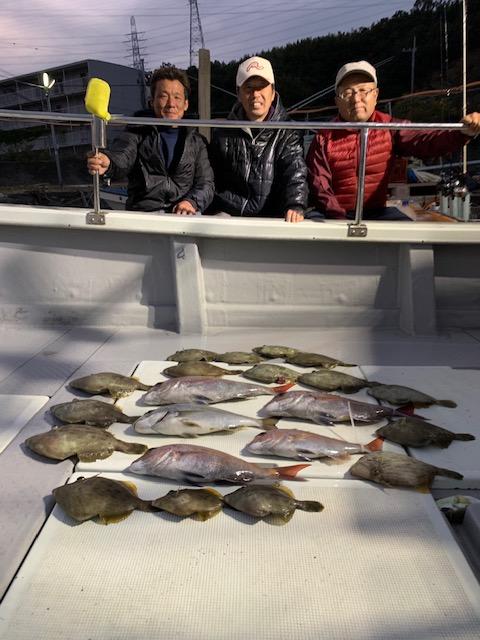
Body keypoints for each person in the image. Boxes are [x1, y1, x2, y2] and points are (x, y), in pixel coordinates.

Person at [306, 60, 480, 220]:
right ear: (337, 101)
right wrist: (340, 220)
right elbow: (319, 186)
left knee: (409, 232)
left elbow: (426, 140)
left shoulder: (389, 127)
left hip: (377, 212)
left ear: (375, 95)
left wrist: (463, 132)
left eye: (363, 90)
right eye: (347, 93)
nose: (356, 98)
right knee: (309, 225)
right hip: (332, 214)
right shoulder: (324, 137)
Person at [87, 66, 214, 214]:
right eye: (163, 96)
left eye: (177, 97)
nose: (171, 104)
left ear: (185, 104)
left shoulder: (197, 142)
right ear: (152, 101)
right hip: (145, 213)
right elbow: (122, 157)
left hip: (185, 215)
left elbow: (206, 183)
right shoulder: (136, 132)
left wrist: (191, 202)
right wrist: (108, 162)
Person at [208, 56, 308, 223]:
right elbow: (209, 178)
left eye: (261, 86)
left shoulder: (288, 131)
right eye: (249, 88)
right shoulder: (222, 133)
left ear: (273, 91)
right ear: (238, 93)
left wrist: (295, 204)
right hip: (229, 214)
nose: (255, 94)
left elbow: (295, 171)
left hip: (273, 217)